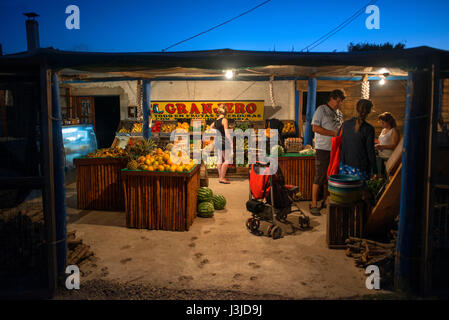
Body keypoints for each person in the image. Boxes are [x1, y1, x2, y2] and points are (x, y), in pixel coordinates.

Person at [310, 89, 345, 215]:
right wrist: (333, 133)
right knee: (319, 176)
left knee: (329, 176)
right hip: (323, 148)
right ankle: (314, 204)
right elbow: (315, 128)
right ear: (332, 98)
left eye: (340, 102)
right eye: (338, 101)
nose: (339, 104)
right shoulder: (321, 110)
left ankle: (325, 201)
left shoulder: (339, 113)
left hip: (335, 149)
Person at [339, 99, 378, 181]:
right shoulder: (369, 129)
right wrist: (375, 171)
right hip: (360, 167)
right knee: (359, 192)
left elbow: (341, 143)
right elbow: (370, 151)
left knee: (346, 191)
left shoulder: (345, 124)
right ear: (369, 111)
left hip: (344, 165)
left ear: (356, 109)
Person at [210, 104, 233, 184]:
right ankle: (222, 178)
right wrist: (231, 142)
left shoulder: (216, 121)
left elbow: (210, 127)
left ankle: (220, 177)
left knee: (219, 159)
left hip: (217, 141)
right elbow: (227, 133)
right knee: (227, 159)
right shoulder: (224, 120)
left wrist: (216, 132)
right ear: (225, 111)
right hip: (224, 141)